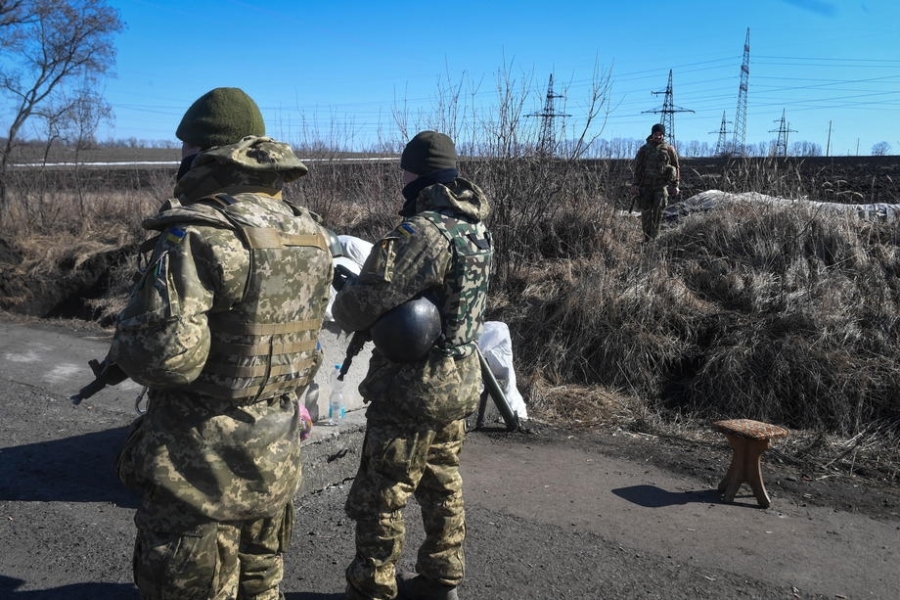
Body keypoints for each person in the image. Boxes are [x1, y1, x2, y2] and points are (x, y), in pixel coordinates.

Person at [108, 87, 333, 600]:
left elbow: (166, 357)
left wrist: (130, 334)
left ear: (201, 154)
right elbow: (304, 344)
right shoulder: (311, 232)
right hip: (274, 460)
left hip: (198, 473)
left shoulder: (199, 234)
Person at [332, 131, 493, 600]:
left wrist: (347, 296)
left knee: (381, 492)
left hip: (412, 387)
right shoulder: (476, 228)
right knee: (442, 482)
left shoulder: (420, 232)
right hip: (459, 380)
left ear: (414, 172)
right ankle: (442, 579)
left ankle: (372, 587)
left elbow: (361, 306)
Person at [631, 123, 680, 241]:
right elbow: (638, 168)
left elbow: (676, 166)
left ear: (663, 136)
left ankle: (654, 239)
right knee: (646, 212)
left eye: (661, 134)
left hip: (661, 186)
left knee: (658, 212)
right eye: (656, 134)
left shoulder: (669, 149)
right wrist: (635, 184)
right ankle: (646, 238)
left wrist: (675, 185)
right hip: (646, 186)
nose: (658, 136)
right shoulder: (644, 149)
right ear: (652, 135)